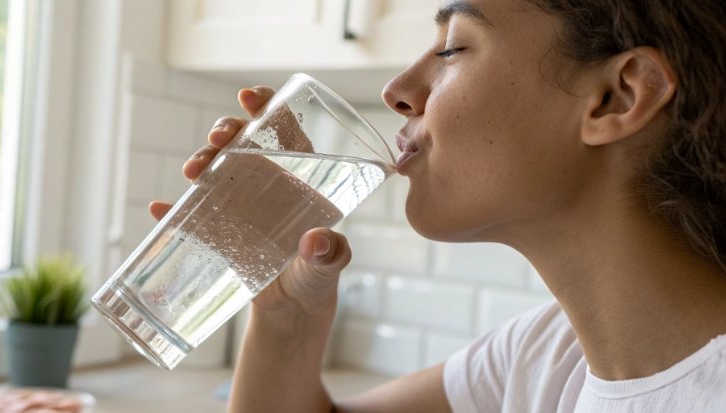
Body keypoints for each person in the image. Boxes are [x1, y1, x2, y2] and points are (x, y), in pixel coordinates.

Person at [149, 0, 726, 411]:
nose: (396, 89)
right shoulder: (543, 357)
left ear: (616, 97)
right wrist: (285, 313)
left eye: (453, 47)